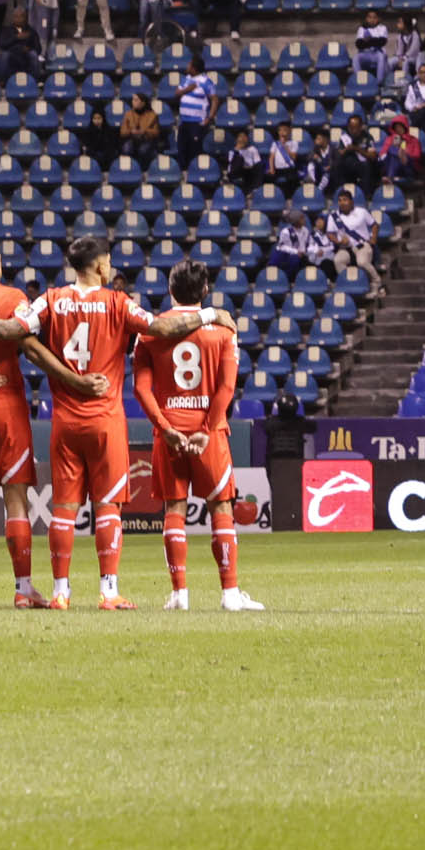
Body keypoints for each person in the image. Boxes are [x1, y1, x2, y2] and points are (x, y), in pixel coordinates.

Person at [17, 237, 226, 610]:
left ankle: (60, 592)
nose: (110, 266)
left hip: (64, 420)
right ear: (99, 267)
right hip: (105, 420)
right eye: (108, 261)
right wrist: (210, 315)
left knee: (64, 508)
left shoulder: (49, 300)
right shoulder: (117, 302)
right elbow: (158, 328)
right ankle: (109, 592)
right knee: (108, 506)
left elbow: (20, 333)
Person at [131, 262, 262, 612]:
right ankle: (230, 594)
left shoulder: (150, 332)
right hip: (210, 432)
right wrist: (207, 430)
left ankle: (180, 594)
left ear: (170, 290)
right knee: (220, 507)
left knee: (174, 508)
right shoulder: (223, 331)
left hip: (169, 429)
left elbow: (141, 388)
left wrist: (164, 427)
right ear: (205, 291)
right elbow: (227, 387)